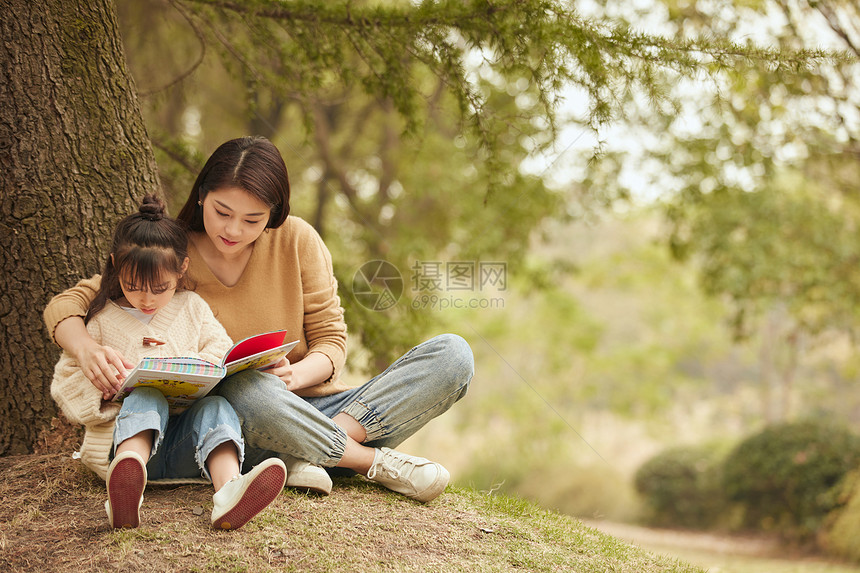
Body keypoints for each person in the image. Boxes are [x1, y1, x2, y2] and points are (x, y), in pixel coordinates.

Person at [44, 136, 474, 503]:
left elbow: (331, 342)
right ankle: (367, 462)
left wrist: (295, 376)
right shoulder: (171, 252)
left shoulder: (298, 240)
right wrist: (86, 350)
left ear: (274, 212)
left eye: (252, 220)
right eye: (222, 212)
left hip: (309, 401)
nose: (233, 230)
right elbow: (72, 302)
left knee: (453, 355)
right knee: (245, 386)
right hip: (239, 415)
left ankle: (305, 452)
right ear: (201, 197)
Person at [50, 195, 286, 530]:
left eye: (159, 289)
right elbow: (66, 383)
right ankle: (127, 480)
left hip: (187, 449)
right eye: (133, 287)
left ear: (182, 269)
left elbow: (220, 353)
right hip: (121, 445)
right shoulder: (102, 319)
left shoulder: (192, 307)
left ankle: (229, 490)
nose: (146, 299)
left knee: (217, 405)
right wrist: (103, 388)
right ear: (116, 264)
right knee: (146, 396)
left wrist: (187, 364)